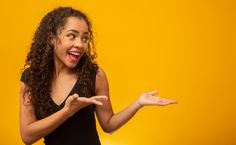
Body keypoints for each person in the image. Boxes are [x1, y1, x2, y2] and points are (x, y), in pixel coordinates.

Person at [20, 7, 177, 145]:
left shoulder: (95, 75)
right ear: (52, 38)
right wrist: (67, 111)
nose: (80, 44)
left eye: (84, 38)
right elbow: (27, 136)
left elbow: (108, 125)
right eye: (72, 36)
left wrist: (138, 103)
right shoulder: (32, 77)